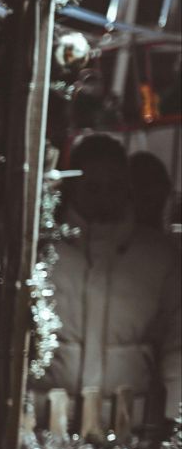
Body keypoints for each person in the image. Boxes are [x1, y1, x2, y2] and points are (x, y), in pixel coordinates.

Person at [47, 133, 182, 421]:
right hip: (50, 425)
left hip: (129, 427)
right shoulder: (46, 252)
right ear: (74, 188)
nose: (104, 199)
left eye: (114, 186)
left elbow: (176, 346)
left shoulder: (157, 257)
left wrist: (174, 421)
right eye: (93, 187)